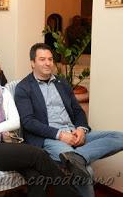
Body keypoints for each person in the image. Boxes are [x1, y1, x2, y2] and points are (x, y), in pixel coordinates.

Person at [0, 52, 79, 197]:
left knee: (36, 178)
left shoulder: (4, 92)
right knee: (38, 155)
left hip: (7, 142)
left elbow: (15, 122)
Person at [15, 43, 123, 196]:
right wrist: (60, 135)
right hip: (50, 138)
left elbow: (78, 111)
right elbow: (28, 122)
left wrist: (81, 129)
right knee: (86, 171)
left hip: (73, 133)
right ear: (32, 63)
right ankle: (77, 160)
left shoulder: (62, 83)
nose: (48, 63)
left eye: (50, 59)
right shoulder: (24, 87)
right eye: (42, 59)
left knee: (119, 137)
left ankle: (77, 157)